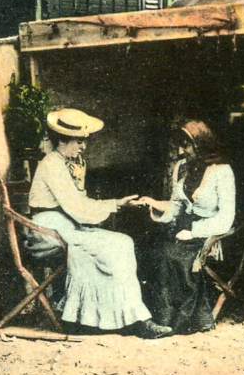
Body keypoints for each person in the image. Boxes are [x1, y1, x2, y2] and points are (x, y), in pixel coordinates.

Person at [26, 108, 172, 339]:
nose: (84, 147)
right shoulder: (52, 165)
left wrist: (119, 203)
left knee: (122, 242)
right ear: (62, 141)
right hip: (47, 230)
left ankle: (131, 317)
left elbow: (80, 204)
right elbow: (79, 210)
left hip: (66, 225)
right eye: (79, 141)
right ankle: (122, 321)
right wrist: (116, 204)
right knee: (107, 247)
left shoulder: (67, 164)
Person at [134, 120, 236, 334]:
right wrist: (153, 203)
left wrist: (193, 232)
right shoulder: (182, 169)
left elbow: (227, 218)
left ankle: (179, 321)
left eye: (186, 145)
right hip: (180, 229)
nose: (182, 151)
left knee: (170, 256)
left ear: (201, 144)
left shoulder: (222, 172)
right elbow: (177, 206)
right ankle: (157, 320)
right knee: (151, 252)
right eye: (180, 145)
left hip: (206, 234)